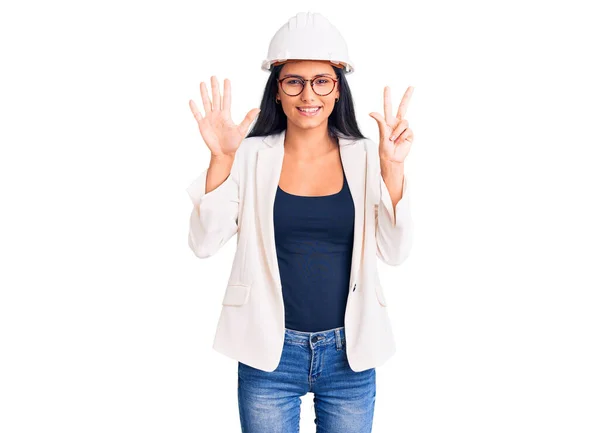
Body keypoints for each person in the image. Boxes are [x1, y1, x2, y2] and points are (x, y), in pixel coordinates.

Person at [186, 11, 415, 433]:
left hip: (350, 353)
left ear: (337, 89)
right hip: (268, 352)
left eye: (321, 80)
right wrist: (221, 158)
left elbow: (396, 252)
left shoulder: (367, 157)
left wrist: (393, 169)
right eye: (294, 81)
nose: (308, 93)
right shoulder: (250, 156)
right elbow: (203, 242)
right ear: (277, 90)